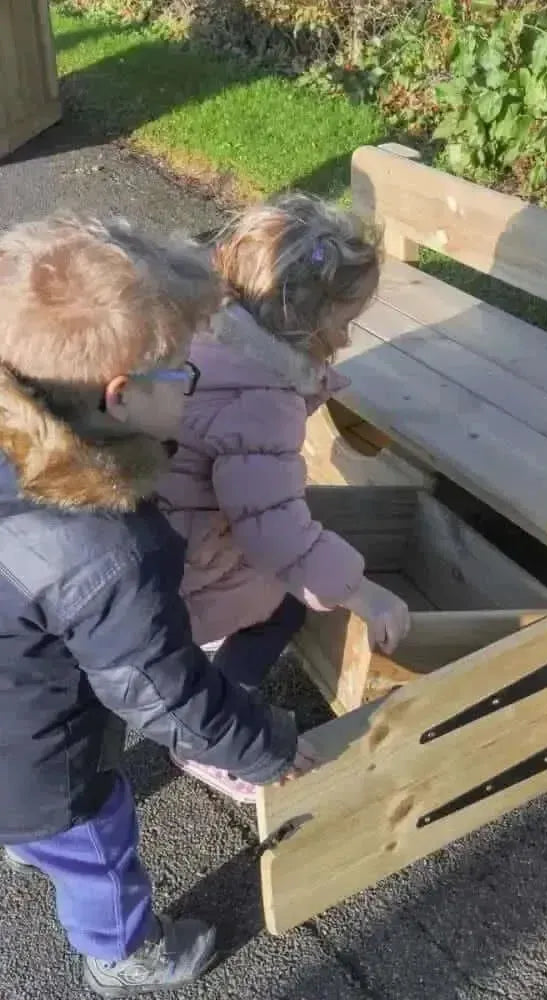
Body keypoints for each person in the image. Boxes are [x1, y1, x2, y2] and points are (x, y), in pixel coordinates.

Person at [0, 214, 314, 997]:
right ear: (120, 397)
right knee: (96, 844)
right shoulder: (104, 549)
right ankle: (121, 953)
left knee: (30, 812)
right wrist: (265, 746)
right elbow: (161, 691)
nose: (194, 383)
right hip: (39, 760)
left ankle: (22, 835)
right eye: (181, 372)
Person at [157, 193, 410, 803]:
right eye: (345, 322)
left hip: (161, 532)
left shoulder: (204, 337)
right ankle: (217, 731)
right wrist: (363, 593)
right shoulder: (262, 400)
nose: (348, 338)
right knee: (287, 606)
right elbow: (277, 537)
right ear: (305, 324)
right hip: (184, 568)